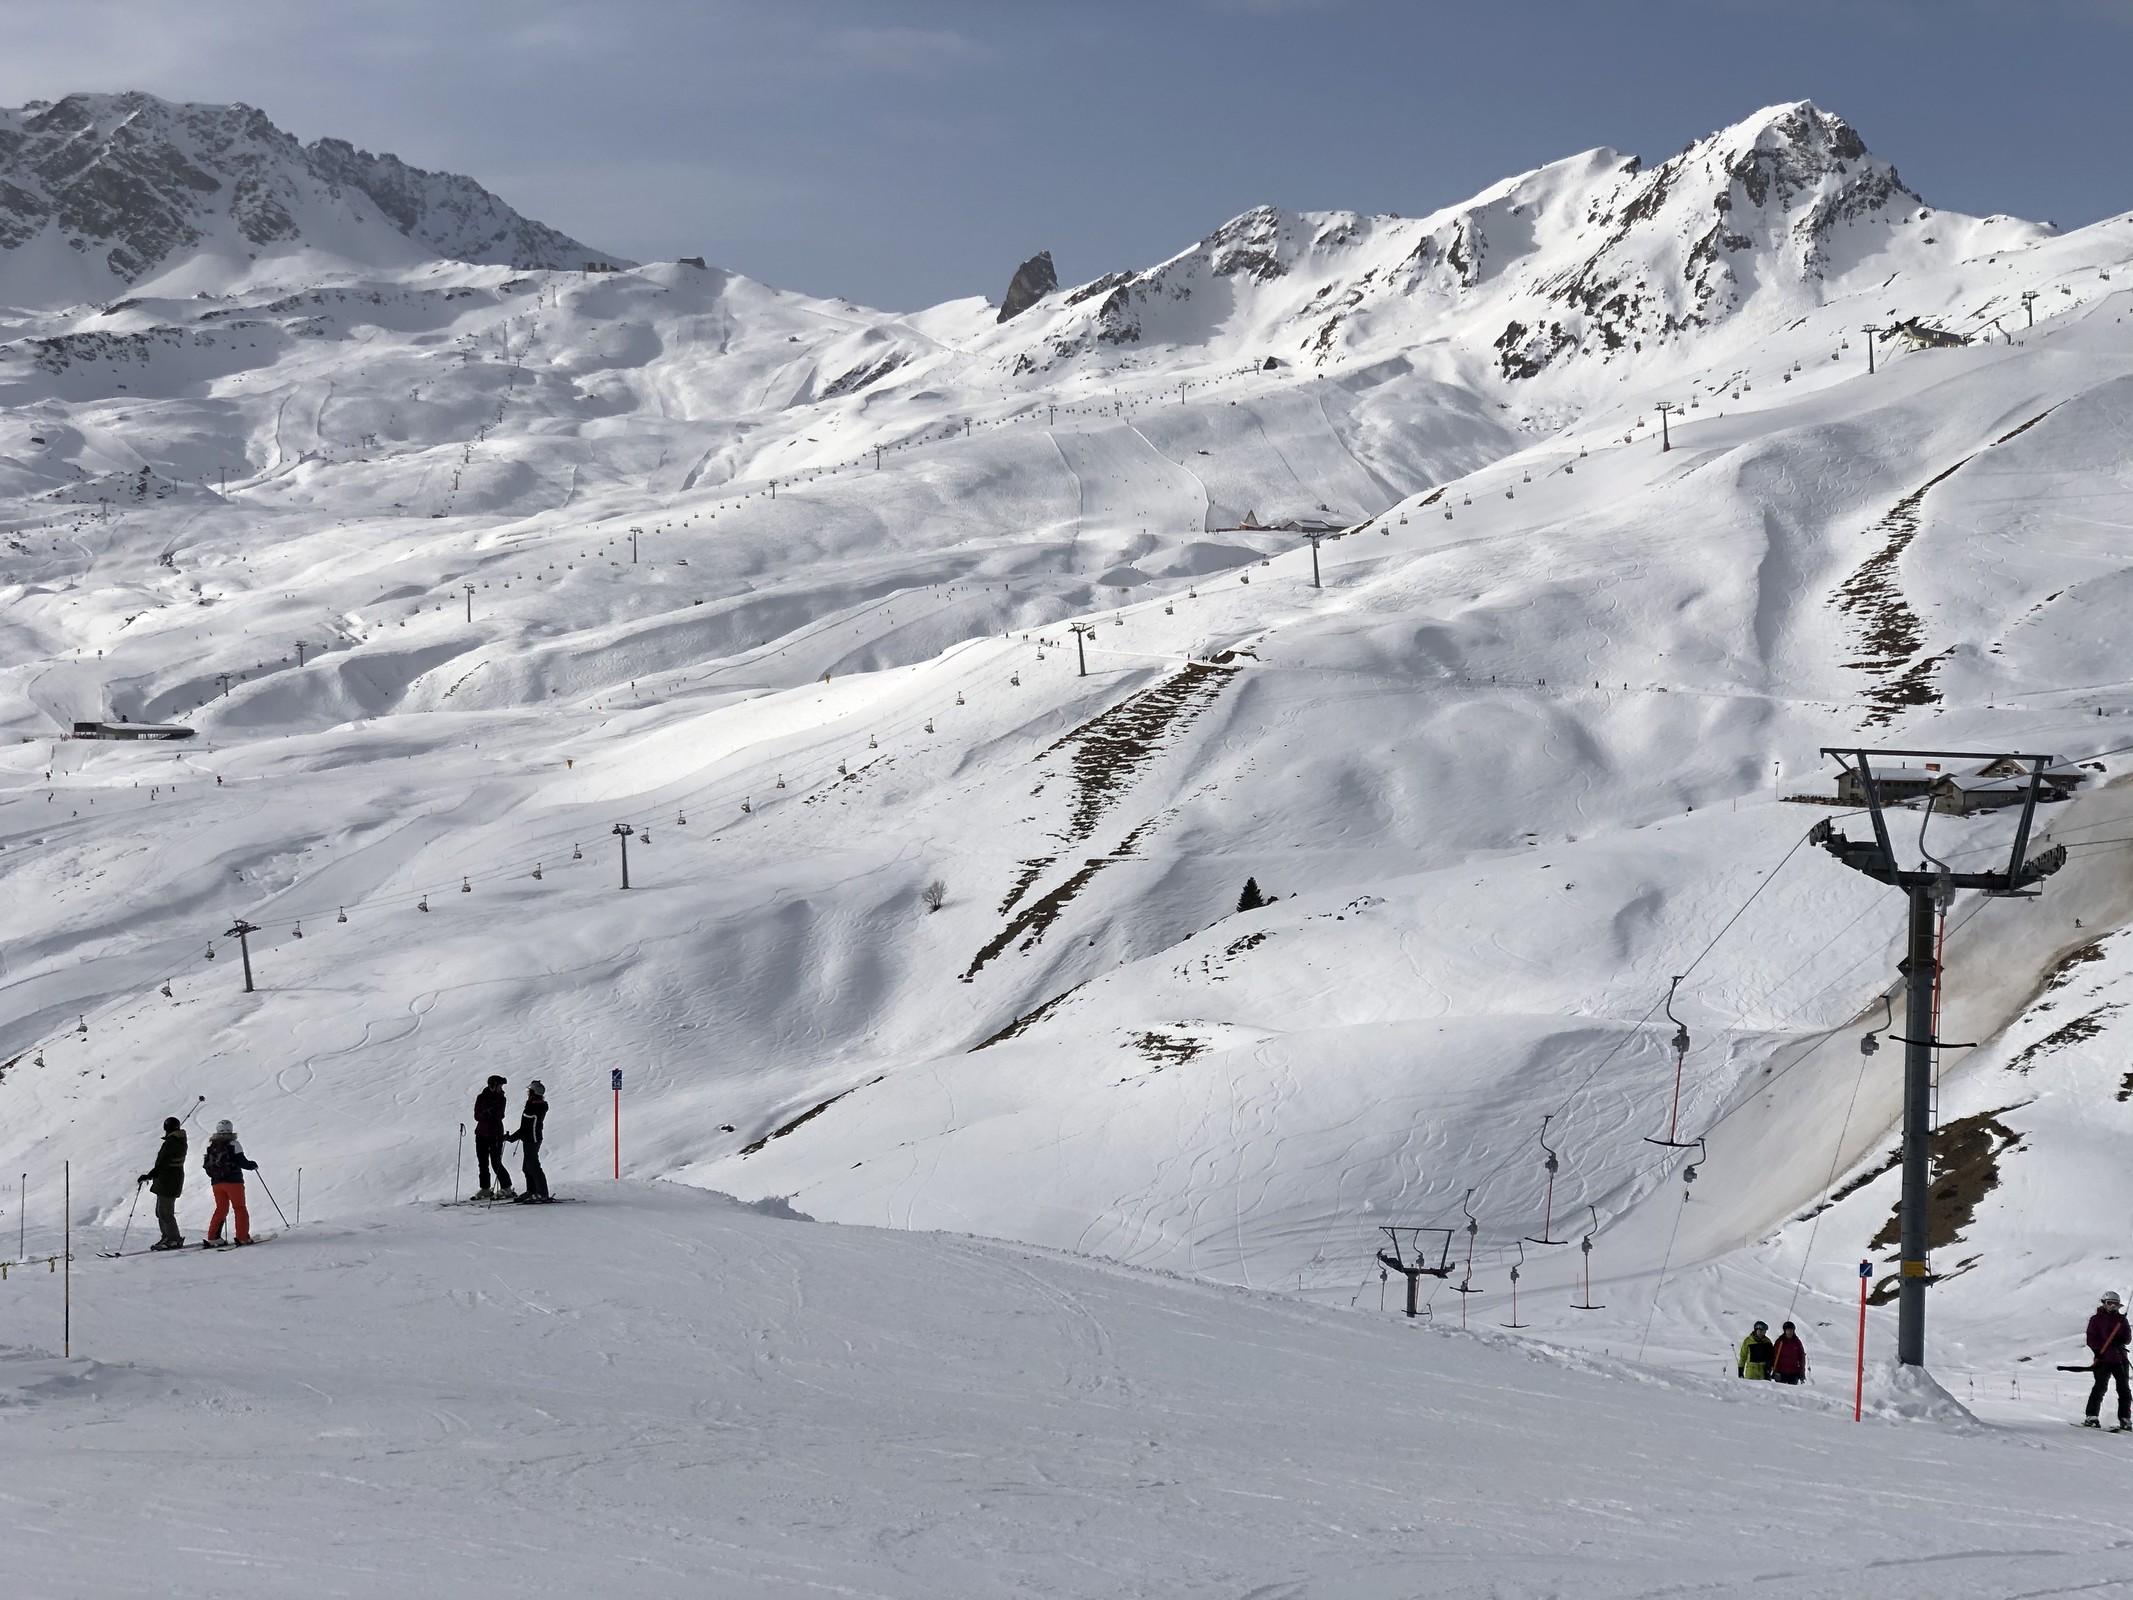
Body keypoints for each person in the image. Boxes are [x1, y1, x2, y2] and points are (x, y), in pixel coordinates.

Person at [201, 1119, 257, 1246]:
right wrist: (252, 1165)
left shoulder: (212, 1146)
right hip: (234, 1182)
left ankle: (213, 1237)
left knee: (221, 1209)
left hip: (216, 1182)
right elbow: (242, 1162)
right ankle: (242, 1237)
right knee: (239, 1208)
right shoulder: (234, 1144)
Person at [137, 1116, 188, 1251]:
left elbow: (163, 1162)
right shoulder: (178, 1141)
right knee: (161, 1212)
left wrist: (150, 1175)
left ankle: (173, 1238)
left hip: (168, 1181)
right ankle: (167, 1237)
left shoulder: (172, 1143)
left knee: (165, 1212)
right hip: (168, 1180)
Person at [2083, 1291, 2131, 1430]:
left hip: (2120, 1359)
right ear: (2104, 1303)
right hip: (2103, 1359)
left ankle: (2125, 1419)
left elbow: (2128, 1338)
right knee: (2100, 1387)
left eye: (2116, 1304)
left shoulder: (2122, 1320)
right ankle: (2091, 1416)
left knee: (2124, 1390)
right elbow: (2091, 1338)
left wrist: (2120, 1340)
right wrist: (2098, 1350)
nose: (2113, 1306)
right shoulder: (2095, 1319)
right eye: (2110, 1303)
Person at [508, 1080, 550, 1202]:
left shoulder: (533, 1107)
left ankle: (542, 1193)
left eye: (530, 1091)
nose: (528, 1093)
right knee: (527, 1167)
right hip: (530, 1138)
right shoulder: (535, 1105)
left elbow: (525, 1128)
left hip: (532, 1139)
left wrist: (511, 1138)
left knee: (533, 1166)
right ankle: (531, 1190)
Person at [473, 1075, 513, 1200]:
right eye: (499, 1086)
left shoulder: (501, 1098)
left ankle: (506, 1186)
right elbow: (477, 1116)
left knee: (496, 1162)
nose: (501, 1088)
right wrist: (487, 1113)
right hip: (481, 1134)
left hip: (496, 1134)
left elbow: (500, 1115)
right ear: (492, 1086)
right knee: (482, 1163)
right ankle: (485, 1188)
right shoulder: (481, 1097)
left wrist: (492, 1113)